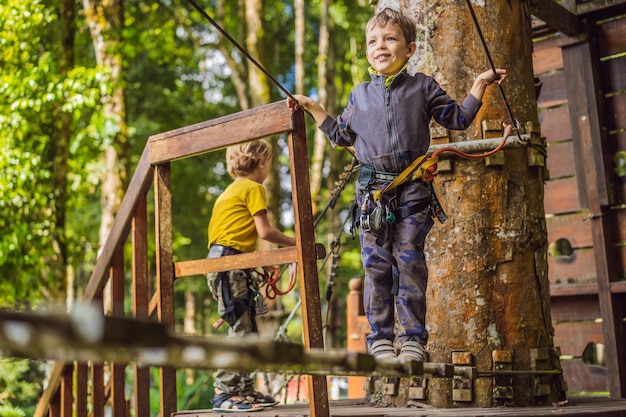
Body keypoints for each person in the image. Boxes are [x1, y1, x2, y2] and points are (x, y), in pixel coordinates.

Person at [287, 7, 510, 361]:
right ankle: (380, 341)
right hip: (372, 197)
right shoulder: (359, 95)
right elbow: (341, 134)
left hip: (413, 191)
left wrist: (478, 85)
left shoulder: (422, 86)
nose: (381, 47)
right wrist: (314, 108)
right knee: (376, 265)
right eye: (373, 42)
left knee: (409, 262)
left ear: (409, 49)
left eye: (390, 39)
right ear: (366, 52)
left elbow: (459, 117)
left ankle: (412, 341)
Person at [206, 139, 296, 412]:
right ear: (262, 162)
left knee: (247, 327)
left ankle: (243, 390)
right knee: (241, 329)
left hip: (227, 261)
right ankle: (225, 392)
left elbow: (238, 236)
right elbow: (265, 232)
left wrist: (258, 263)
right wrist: (297, 242)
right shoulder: (254, 188)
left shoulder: (230, 190)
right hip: (229, 262)